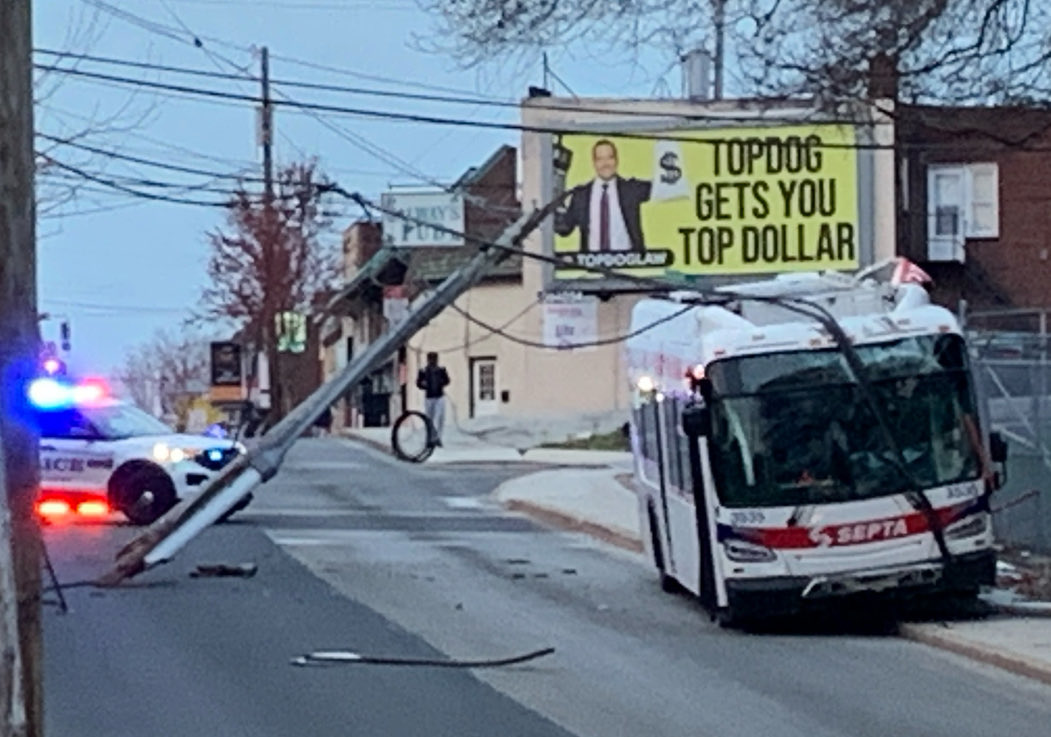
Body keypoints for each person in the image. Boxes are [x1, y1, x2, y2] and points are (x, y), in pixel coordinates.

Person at [554, 138, 652, 252]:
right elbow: (564, 229)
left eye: (609, 157)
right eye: (600, 159)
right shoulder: (581, 195)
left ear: (616, 160)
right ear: (594, 162)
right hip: (592, 265)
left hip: (626, 264)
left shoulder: (632, 189)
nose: (605, 164)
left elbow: (665, 186)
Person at [416, 352, 450, 446]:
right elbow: (418, 383)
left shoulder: (441, 370)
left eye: (434, 359)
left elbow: (447, 380)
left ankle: (438, 437)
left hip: (440, 396)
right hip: (429, 397)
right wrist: (423, 385)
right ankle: (430, 438)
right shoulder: (423, 371)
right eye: (431, 359)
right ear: (428, 360)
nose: (433, 361)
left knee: (439, 417)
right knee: (429, 418)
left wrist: (441, 382)